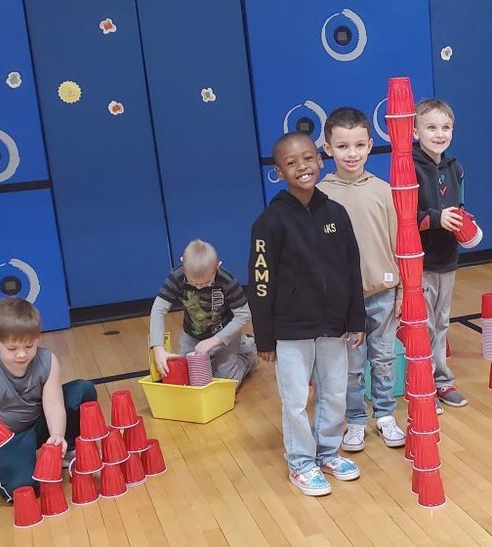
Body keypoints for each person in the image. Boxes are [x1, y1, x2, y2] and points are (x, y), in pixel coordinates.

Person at [248, 132, 367, 496]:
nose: (301, 167)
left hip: (333, 327)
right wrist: (265, 338)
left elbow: (352, 269)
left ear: (319, 160)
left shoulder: (336, 214)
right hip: (291, 330)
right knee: (296, 400)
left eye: (307, 158)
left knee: (334, 393)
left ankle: (327, 452)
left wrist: (356, 319)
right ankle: (301, 462)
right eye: (291, 162)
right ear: (279, 172)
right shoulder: (269, 222)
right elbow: (260, 283)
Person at [318, 107, 406, 451]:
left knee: (383, 359)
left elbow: (399, 243)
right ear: (328, 148)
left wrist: (402, 289)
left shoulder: (384, 191)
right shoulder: (321, 196)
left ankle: (384, 414)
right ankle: (355, 419)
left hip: (383, 291)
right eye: (342, 146)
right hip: (343, 301)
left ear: (370, 145)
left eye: (358, 145)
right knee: (352, 367)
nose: (351, 153)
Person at [0, 297, 98, 501]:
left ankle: (68, 450)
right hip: (6, 439)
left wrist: (57, 435)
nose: (22, 354)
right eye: (12, 349)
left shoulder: (48, 360)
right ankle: (18, 463)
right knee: (25, 491)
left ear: (37, 338)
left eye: (29, 346)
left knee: (82, 390)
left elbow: (53, 404)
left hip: (37, 425)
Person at [414, 98, 469, 412]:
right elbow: (403, 218)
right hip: (420, 262)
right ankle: (422, 384)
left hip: (448, 258)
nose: (439, 134)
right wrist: (436, 218)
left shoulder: (455, 167)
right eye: (431, 127)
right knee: (423, 326)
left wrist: (466, 225)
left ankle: (442, 381)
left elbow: (459, 208)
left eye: (446, 127)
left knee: (442, 323)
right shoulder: (409, 168)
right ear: (415, 131)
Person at [149, 239, 257, 388]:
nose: (199, 288)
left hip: (224, 334)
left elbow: (244, 315)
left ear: (218, 266)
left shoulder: (227, 282)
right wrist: (158, 348)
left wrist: (214, 341)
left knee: (227, 383)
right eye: (193, 283)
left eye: (206, 283)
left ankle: (248, 351)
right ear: (182, 263)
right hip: (191, 335)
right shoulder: (176, 277)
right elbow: (158, 310)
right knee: (189, 379)